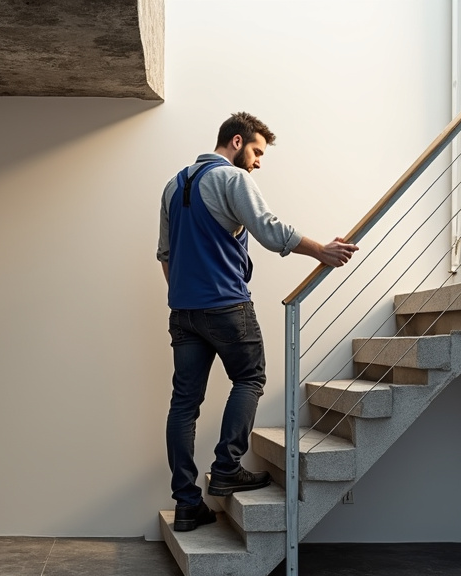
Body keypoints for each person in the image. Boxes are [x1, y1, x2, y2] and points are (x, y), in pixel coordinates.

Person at [157, 112, 358, 532]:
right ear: (235, 142)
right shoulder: (232, 179)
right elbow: (269, 230)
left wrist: (184, 299)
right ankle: (228, 467)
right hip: (227, 306)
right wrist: (321, 249)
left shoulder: (173, 186)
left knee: (183, 405)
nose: (258, 162)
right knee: (250, 378)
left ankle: (187, 503)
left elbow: (165, 256)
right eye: (256, 151)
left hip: (184, 312)